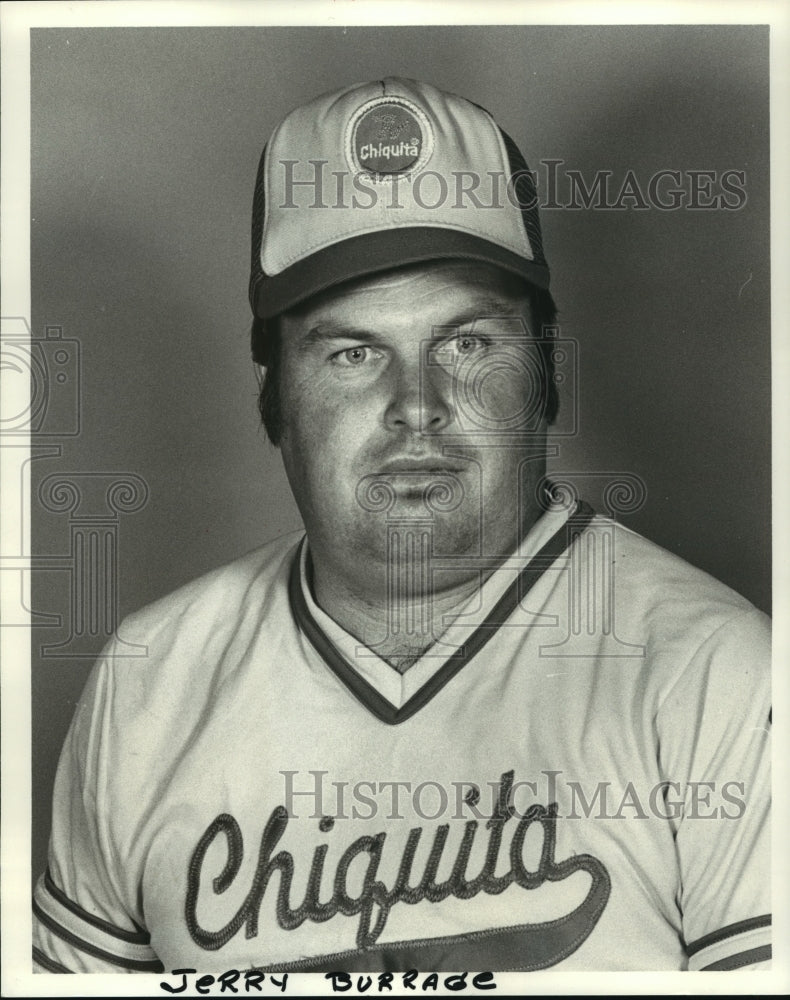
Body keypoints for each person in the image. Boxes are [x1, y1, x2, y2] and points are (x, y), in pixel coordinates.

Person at [32, 78, 771, 974]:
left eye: (466, 344)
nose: (415, 407)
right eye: (352, 353)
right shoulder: (146, 683)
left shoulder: (719, 678)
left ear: (542, 372)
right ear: (276, 397)